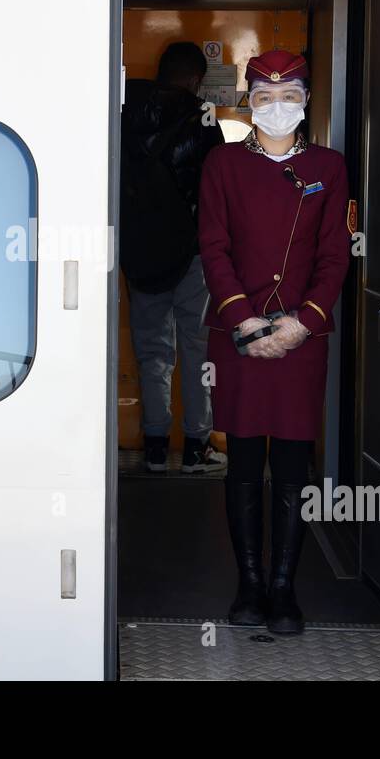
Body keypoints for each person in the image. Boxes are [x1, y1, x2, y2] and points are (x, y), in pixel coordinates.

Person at [196, 49, 351, 633]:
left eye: (289, 97)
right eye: (265, 98)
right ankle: (249, 585)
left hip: (300, 337)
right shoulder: (223, 164)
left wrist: (301, 323)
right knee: (241, 463)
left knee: (291, 464)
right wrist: (244, 321)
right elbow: (213, 247)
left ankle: (284, 589)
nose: (277, 108)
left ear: (306, 101)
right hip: (238, 336)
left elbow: (336, 255)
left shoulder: (329, 167)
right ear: (249, 103)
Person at [119, 42, 228, 474]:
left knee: (152, 352)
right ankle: (197, 447)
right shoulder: (203, 118)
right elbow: (218, 186)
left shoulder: (124, 109)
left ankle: (155, 446)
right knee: (198, 349)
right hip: (193, 253)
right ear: (196, 79)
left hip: (141, 251)